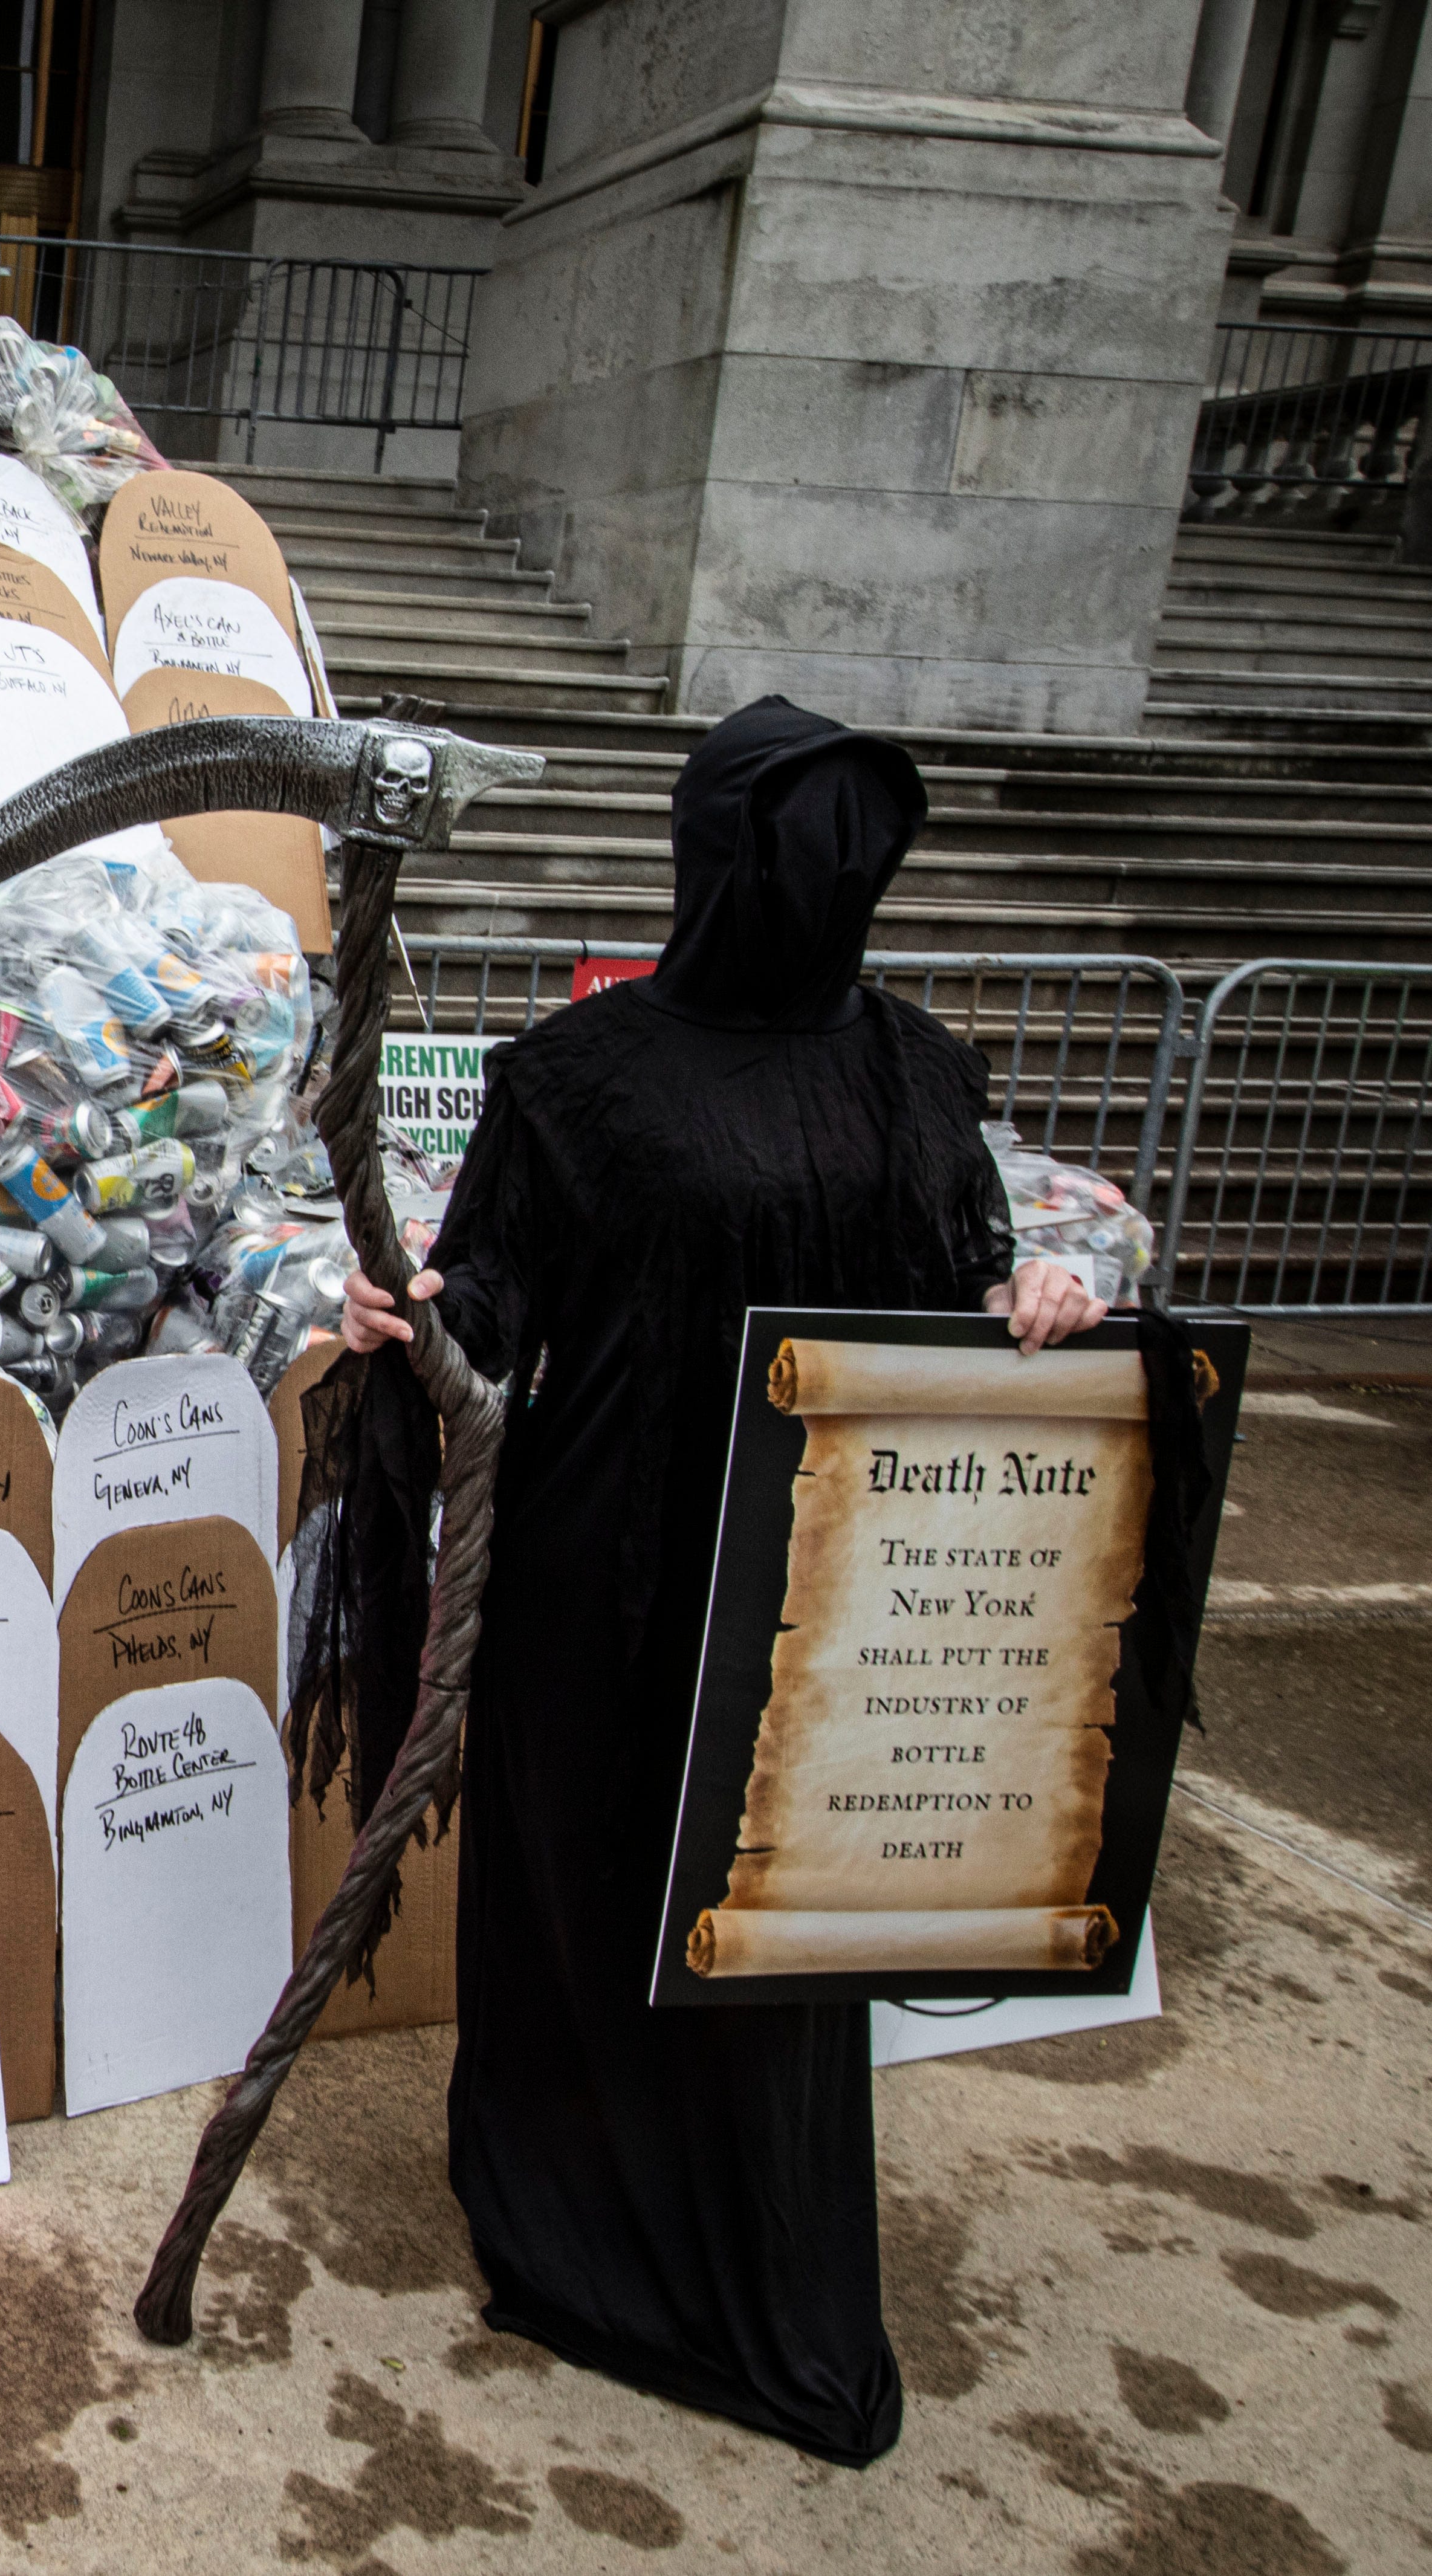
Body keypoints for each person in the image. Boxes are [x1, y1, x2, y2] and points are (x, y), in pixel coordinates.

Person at [335, 696, 1104, 2467]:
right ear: (716, 855)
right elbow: (495, 1324)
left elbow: (955, 1285)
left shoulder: (919, 1070)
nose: (832, 878)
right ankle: (568, 2232)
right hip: (602, 1601)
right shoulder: (575, 1082)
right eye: (798, 841)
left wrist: (1032, 1312)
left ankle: (767, 2274)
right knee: (594, 1915)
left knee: (769, 1950)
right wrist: (410, 1324)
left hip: (822, 1617)